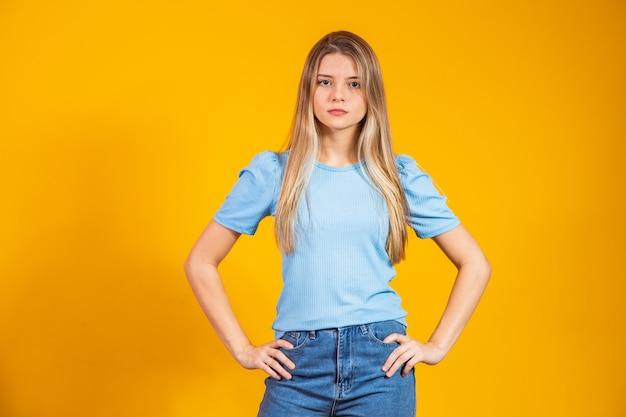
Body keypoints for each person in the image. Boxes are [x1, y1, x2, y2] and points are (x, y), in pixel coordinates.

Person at [184, 31, 491, 417]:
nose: (338, 96)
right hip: (296, 366)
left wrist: (436, 346)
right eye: (325, 82)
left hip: (379, 366)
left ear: (371, 95)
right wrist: (244, 350)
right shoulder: (274, 173)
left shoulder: (398, 176)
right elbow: (200, 262)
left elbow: (475, 264)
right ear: (308, 92)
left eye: (354, 84)